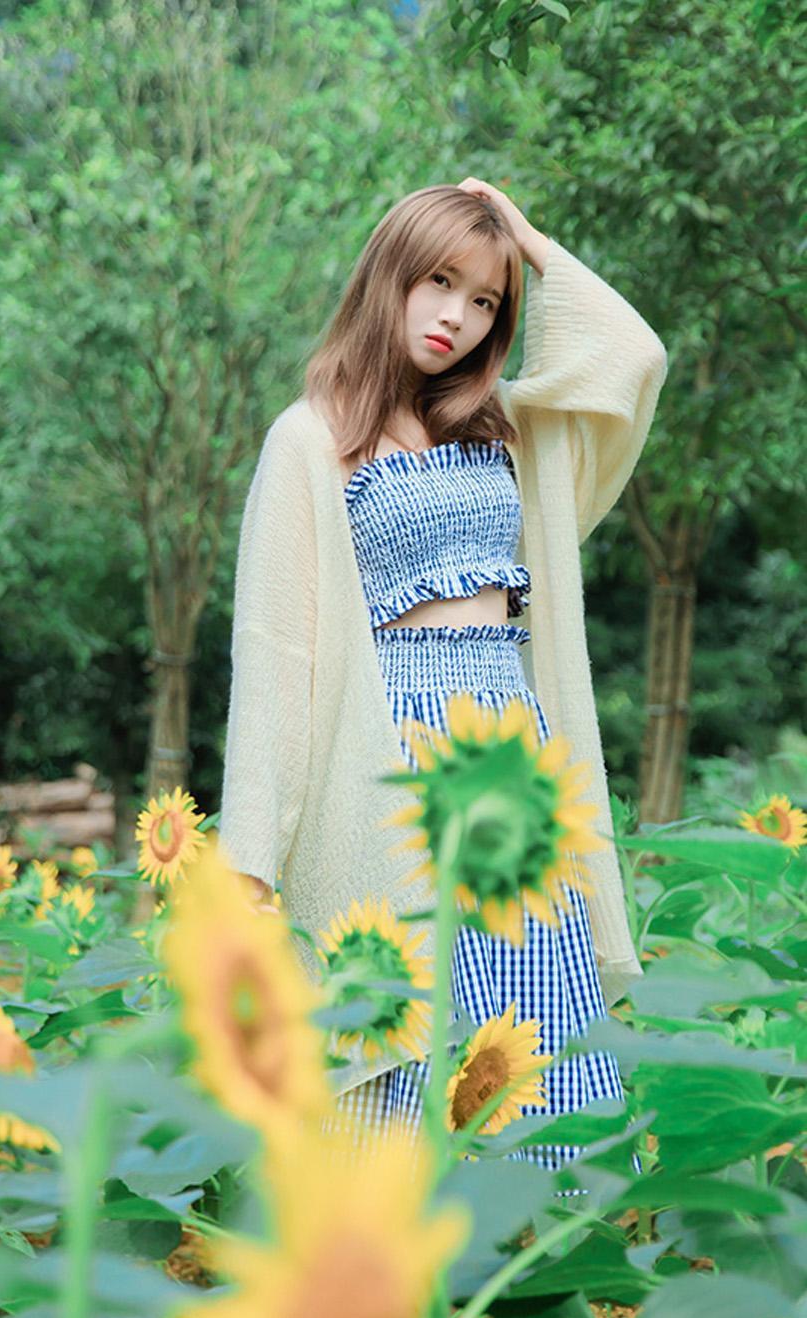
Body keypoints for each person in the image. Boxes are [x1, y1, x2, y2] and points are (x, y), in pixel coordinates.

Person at [217, 180, 668, 1163]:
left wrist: (531, 242)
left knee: (536, 1014)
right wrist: (252, 854)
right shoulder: (310, 442)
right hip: (391, 756)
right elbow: (277, 658)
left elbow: (634, 357)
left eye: (485, 302)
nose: (457, 318)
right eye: (439, 282)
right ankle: (395, 1276)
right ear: (390, 277)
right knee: (400, 1026)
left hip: (512, 756)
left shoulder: (509, 427)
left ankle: (548, 1261)